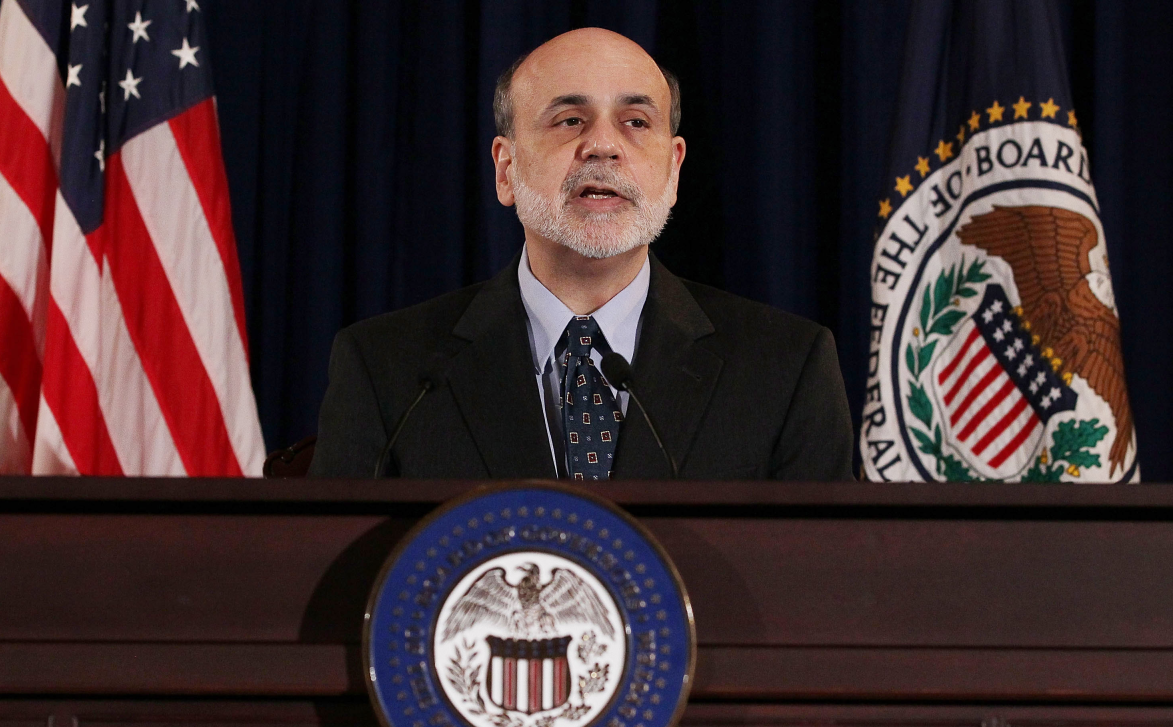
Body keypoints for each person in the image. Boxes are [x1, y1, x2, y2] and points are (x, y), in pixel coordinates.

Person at [310, 28, 852, 480]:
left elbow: (822, 591)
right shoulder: (389, 371)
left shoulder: (786, 369)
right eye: (570, 120)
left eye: (636, 122)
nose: (603, 145)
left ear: (675, 167)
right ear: (506, 169)